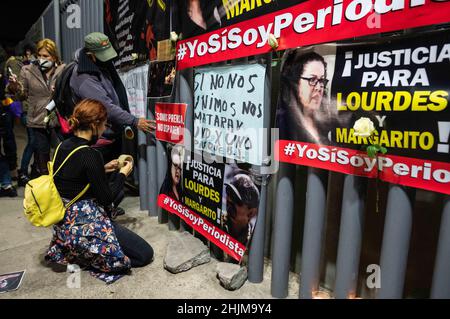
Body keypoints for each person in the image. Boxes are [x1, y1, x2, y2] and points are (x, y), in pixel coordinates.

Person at [45, 99, 153, 283]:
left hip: (63, 225)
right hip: (85, 225)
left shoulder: (63, 146)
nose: (105, 129)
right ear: (95, 125)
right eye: (104, 125)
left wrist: (101, 169)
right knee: (144, 254)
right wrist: (122, 174)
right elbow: (107, 198)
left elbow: (71, 176)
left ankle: (81, 251)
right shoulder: (90, 154)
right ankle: (94, 255)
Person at [70, 32, 156, 163]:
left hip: (111, 133)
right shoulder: (84, 78)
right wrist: (134, 121)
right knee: (103, 177)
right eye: (102, 56)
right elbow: (105, 107)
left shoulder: (101, 65)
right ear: (90, 55)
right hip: (98, 140)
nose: (107, 59)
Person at [10, 39, 65, 176]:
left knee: (62, 152)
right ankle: (45, 186)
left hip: (59, 118)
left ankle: (62, 183)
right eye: (39, 55)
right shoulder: (28, 70)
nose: (41, 59)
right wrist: (15, 87)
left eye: (45, 56)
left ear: (54, 56)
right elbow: (21, 95)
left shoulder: (63, 69)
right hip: (37, 119)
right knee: (42, 155)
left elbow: (70, 91)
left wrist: (58, 91)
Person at [276, 50, 333, 145]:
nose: (319, 88)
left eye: (322, 80)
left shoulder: (327, 124)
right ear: (296, 83)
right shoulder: (282, 124)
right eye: (312, 80)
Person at [222, 173, 260, 248]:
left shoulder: (254, 241)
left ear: (251, 213)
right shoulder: (215, 222)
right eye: (229, 192)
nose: (229, 199)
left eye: (236, 200)